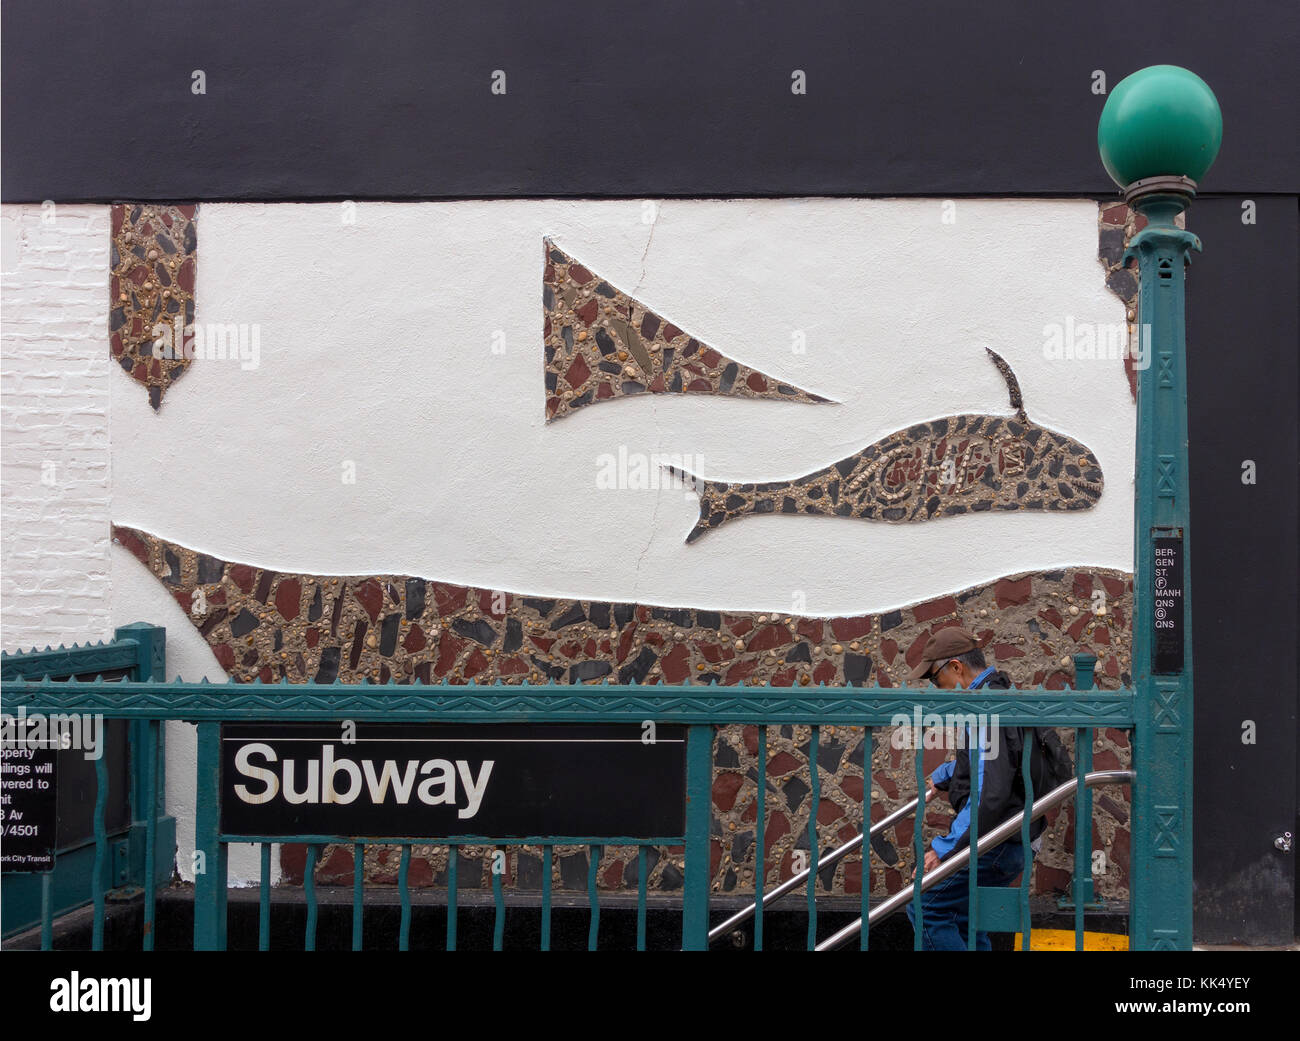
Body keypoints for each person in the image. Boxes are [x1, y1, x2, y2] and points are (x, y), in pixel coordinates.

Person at [901, 627, 1047, 951]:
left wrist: (944, 849)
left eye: (935, 679)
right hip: (1012, 837)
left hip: (998, 840)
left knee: (927, 907)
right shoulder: (1001, 695)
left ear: (956, 667)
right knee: (964, 917)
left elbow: (988, 795)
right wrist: (947, 773)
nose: (936, 688)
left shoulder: (986, 708)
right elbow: (998, 762)